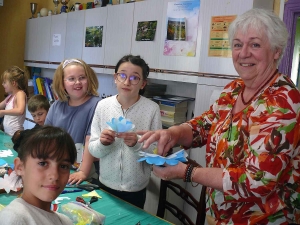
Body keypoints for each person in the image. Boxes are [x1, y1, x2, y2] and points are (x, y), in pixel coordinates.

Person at [139, 8, 300, 225]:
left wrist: (188, 173)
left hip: (264, 219)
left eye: (255, 44)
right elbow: (204, 126)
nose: (243, 53)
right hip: (221, 214)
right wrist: (173, 133)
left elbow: (256, 180)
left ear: (276, 51)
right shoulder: (234, 89)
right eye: (237, 44)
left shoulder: (282, 101)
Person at [89, 54, 162, 209]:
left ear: (143, 84)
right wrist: (103, 143)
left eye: (134, 78)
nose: (127, 82)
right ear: (115, 78)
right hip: (106, 183)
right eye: (122, 75)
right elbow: (93, 149)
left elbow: (155, 155)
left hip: (135, 188)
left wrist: (136, 145)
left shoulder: (152, 109)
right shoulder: (103, 106)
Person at [0, 126, 76, 225]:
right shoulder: (13, 219)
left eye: (63, 166)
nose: (54, 176)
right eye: (43, 163)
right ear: (19, 167)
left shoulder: (65, 221)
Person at [45, 59, 100, 185]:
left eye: (82, 77)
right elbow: (45, 136)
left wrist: (83, 172)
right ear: (62, 83)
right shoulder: (57, 106)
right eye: (71, 79)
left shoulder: (97, 105)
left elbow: (90, 141)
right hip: (58, 167)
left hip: (85, 171)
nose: (77, 82)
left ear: (89, 79)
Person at [0, 66, 28, 136]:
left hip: (16, 135)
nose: (3, 84)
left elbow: (20, 110)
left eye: (5, 82)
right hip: (8, 133)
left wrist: (3, 112)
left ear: (13, 83)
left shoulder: (20, 94)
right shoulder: (10, 96)